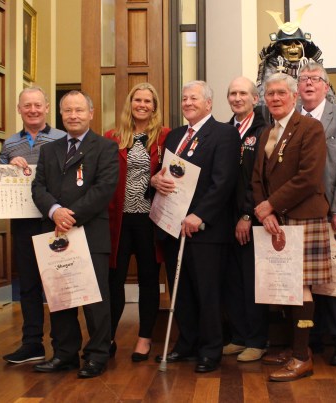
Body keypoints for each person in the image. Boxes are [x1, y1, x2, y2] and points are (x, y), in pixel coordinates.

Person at [150, 81, 238, 373]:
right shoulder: (174, 136)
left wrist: (200, 215)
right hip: (172, 226)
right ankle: (186, 344)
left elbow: (223, 182)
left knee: (207, 291)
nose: (187, 103)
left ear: (209, 104)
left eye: (194, 98)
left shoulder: (224, 134)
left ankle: (210, 350)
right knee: (181, 291)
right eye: (184, 98)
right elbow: (165, 174)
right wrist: (155, 181)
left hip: (205, 230)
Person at [31, 90, 119, 378]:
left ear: (91, 113)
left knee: (95, 300)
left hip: (89, 233)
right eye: (67, 111)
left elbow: (104, 189)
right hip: (55, 234)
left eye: (79, 110)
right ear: (61, 114)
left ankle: (97, 355)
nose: (73, 115)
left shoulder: (106, 147)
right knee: (61, 298)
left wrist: (71, 215)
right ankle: (64, 354)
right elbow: (38, 188)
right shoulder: (49, 150)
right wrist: (55, 210)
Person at [253, 73, 330, 381]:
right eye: (269, 93)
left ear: (294, 97)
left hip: (304, 216)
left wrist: (272, 205)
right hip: (278, 220)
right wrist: (264, 213)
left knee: (301, 287)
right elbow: (257, 178)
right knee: (285, 287)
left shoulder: (311, 128)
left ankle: (301, 356)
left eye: (281, 93)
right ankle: (295, 348)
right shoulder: (266, 132)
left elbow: (309, 177)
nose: (274, 98)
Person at [297, 62, 336, 366]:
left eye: (315, 79)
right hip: (296, 210)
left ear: (326, 85)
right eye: (304, 79)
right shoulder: (289, 115)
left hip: (329, 212)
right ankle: (312, 339)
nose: (309, 84)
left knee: (334, 281)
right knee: (306, 279)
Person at [0, 86, 66, 364]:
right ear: (19, 109)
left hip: (54, 222)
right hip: (23, 221)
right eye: (27, 106)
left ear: (47, 107)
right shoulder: (10, 143)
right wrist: (6, 166)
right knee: (28, 284)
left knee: (58, 285)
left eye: (38, 105)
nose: (33, 110)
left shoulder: (62, 138)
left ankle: (63, 345)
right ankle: (32, 343)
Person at [104, 82, 169, 362]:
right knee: (113, 280)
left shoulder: (165, 137)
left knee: (148, 280)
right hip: (118, 219)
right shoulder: (111, 137)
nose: (142, 105)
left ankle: (144, 338)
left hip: (149, 220)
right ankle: (106, 337)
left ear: (154, 106)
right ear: (130, 104)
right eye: (137, 100)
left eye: (147, 101)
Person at [221, 77, 269, 362]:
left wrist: (247, 215)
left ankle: (257, 339)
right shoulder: (225, 130)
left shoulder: (264, 131)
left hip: (250, 219)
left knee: (253, 281)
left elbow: (260, 178)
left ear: (254, 98)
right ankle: (238, 336)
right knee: (232, 281)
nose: (237, 98)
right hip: (224, 220)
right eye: (232, 93)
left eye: (243, 93)